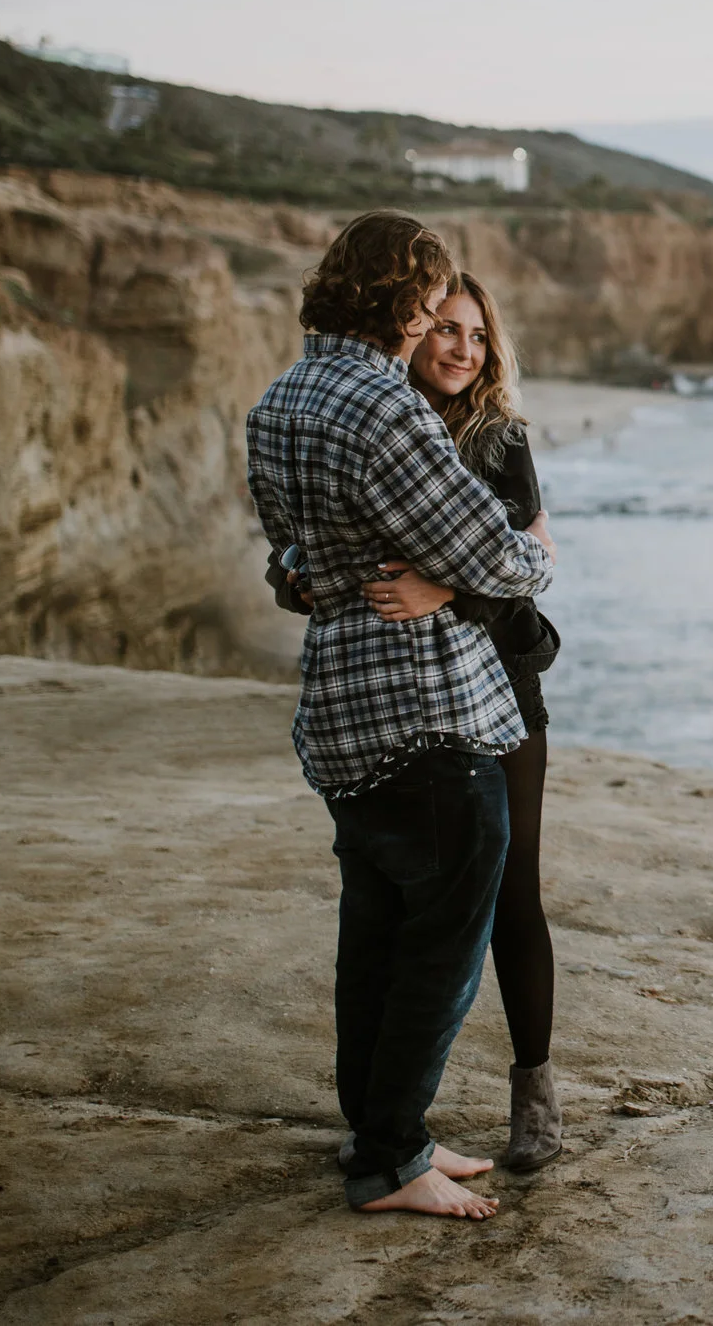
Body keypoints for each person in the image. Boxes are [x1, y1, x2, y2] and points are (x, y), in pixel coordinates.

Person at [245, 213, 553, 1221]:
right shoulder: (386, 408)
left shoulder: (277, 402)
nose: (436, 320)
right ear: (404, 300)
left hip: (337, 705)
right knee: (442, 941)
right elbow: (502, 556)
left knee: (373, 934)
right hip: (427, 713)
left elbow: (293, 560)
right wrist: (518, 562)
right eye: (427, 301)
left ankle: (378, 1131)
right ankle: (392, 1160)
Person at [354, 274, 565, 1172]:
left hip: (505, 686)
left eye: (477, 336)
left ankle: (536, 1096)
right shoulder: (380, 431)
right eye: (445, 329)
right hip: (406, 694)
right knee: (397, 905)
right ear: (411, 333)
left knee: (513, 889)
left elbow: (539, 550)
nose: (462, 350)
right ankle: (390, 1121)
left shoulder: (498, 438)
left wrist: (446, 586)